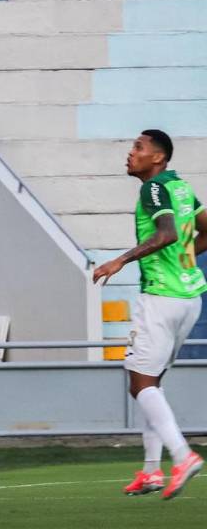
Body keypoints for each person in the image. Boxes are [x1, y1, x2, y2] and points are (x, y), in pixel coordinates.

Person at [93, 129, 206, 500]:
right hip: (190, 297)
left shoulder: (153, 188)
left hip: (161, 297)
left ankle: (183, 456)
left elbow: (168, 233)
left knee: (140, 384)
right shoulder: (183, 189)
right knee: (151, 384)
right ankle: (151, 472)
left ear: (157, 158)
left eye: (138, 148)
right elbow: (197, 231)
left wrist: (120, 260)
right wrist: (187, 258)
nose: (130, 153)